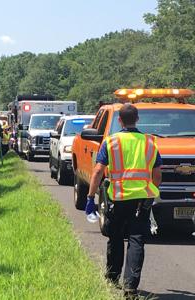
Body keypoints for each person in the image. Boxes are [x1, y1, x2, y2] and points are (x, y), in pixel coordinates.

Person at [86, 103, 162, 297]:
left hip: (118, 198)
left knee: (116, 237)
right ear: (137, 119)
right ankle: (130, 287)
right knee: (137, 240)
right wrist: (152, 192)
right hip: (142, 199)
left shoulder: (111, 142)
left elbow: (97, 171)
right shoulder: (150, 142)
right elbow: (157, 174)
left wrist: (90, 198)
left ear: (119, 120)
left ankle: (112, 277)